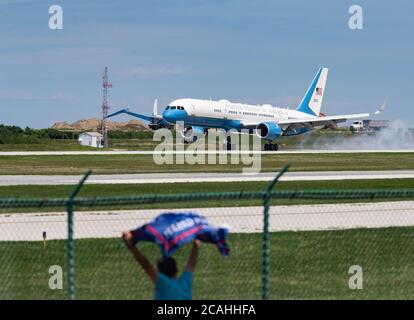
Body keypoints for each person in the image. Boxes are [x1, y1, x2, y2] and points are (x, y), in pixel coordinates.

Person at [122, 230, 200, 300]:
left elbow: (146, 265)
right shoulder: (184, 283)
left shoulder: (164, 283)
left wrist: (131, 246)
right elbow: (191, 264)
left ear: (160, 272)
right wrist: (196, 244)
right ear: (176, 269)